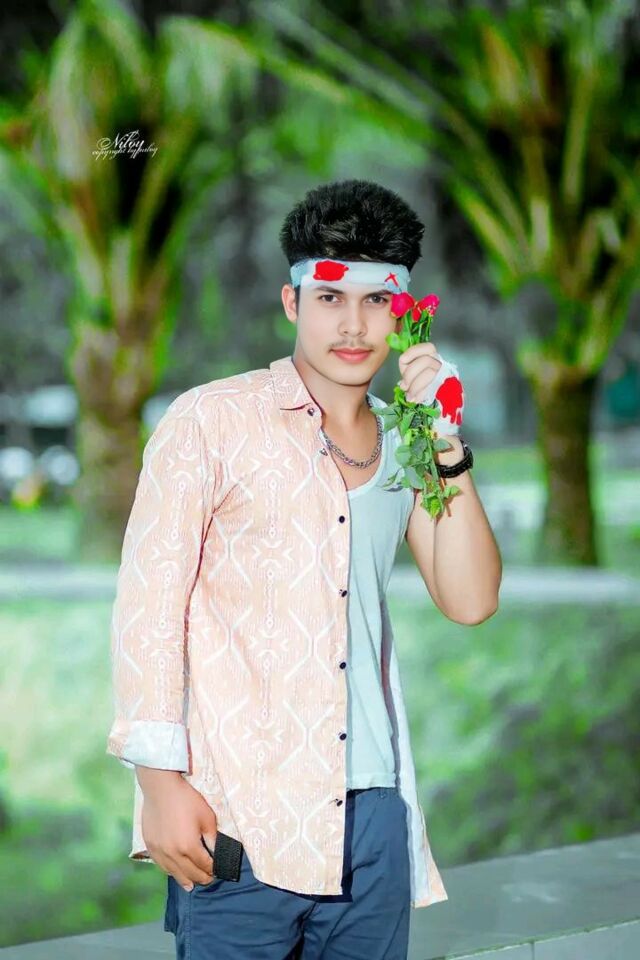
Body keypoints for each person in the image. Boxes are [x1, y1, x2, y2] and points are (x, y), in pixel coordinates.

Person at [106, 178, 502, 959]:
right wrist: (157, 784)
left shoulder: (408, 442)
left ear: (406, 313)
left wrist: (446, 440)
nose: (353, 325)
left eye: (377, 300)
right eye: (329, 298)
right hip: (239, 816)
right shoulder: (210, 421)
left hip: (374, 818)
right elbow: (148, 609)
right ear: (292, 303)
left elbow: (471, 600)